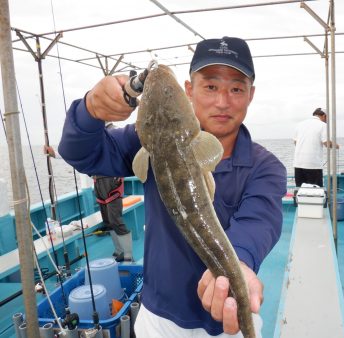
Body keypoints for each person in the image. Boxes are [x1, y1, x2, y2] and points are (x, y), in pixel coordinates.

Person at [58, 36, 286, 337]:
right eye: (210, 86)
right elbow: (80, 153)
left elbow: (260, 221)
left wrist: (240, 263)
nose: (222, 101)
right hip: (159, 313)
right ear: (189, 91)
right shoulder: (144, 139)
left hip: (226, 316)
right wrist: (90, 110)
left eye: (236, 88)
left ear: (250, 95)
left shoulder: (266, 166)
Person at [45, 135, 133, 263]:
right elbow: (77, 156)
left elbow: (124, 152)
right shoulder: (90, 139)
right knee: (108, 222)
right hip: (98, 183)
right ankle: (119, 251)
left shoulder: (112, 133)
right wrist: (55, 154)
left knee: (116, 220)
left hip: (112, 182)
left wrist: (122, 172)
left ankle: (128, 256)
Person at [293, 108, 339, 188]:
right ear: (324, 116)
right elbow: (327, 143)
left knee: (300, 191)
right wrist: (336, 146)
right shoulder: (323, 125)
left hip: (298, 164)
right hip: (313, 165)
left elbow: (295, 142)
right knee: (315, 193)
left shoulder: (300, 124)